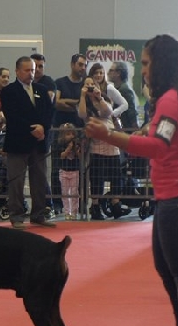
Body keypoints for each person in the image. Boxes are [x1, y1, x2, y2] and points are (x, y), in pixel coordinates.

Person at [85, 34, 178, 326]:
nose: (142, 70)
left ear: (161, 64)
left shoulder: (172, 101)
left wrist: (109, 135)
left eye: (145, 63)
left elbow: (159, 147)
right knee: (170, 270)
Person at [1, 56, 56, 229]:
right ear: (17, 71)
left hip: (39, 143)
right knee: (16, 181)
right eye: (27, 70)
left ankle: (38, 214)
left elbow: (50, 112)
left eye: (33, 70)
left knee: (39, 180)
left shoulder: (42, 89)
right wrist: (32, 128)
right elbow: (12, 116)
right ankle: (16, 216)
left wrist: (43, 127)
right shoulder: (9, 91)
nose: (31, 73)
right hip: (18, 142)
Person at [78, 75, 127, 220]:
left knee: (116, 175)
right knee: (97, 177)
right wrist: (83, 96)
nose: (90, 87)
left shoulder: (104, 98)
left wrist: (99, 97)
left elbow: (108, 112)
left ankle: (115, 204)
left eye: (92, 84)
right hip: (96, 145)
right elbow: (82, 114)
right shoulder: (83, 102)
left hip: (111, 143)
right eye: (87, 85)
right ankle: (95, 206)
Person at [54, 54, 87, 128]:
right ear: (72, 65)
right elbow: (56, 103)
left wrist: (65, 101)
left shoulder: (85, 85)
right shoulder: (60, 82)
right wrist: (78, 104)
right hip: (60, 129)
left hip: (80, 129)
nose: (83, 68)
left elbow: (87, 107)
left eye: (85, 65)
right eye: (80, 65)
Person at [56, 123, 81, 220]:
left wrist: (77, 150)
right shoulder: (61, 144)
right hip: (64, 171)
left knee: (74, 193)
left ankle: (74, 212)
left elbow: (80, 157)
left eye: (72, 134)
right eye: (68, 134)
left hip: (75, 171)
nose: (71, 136)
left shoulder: (77, 144)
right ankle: (67, 212)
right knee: (65, 193)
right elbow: (62, 156)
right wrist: (68, 148)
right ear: (63, 135)